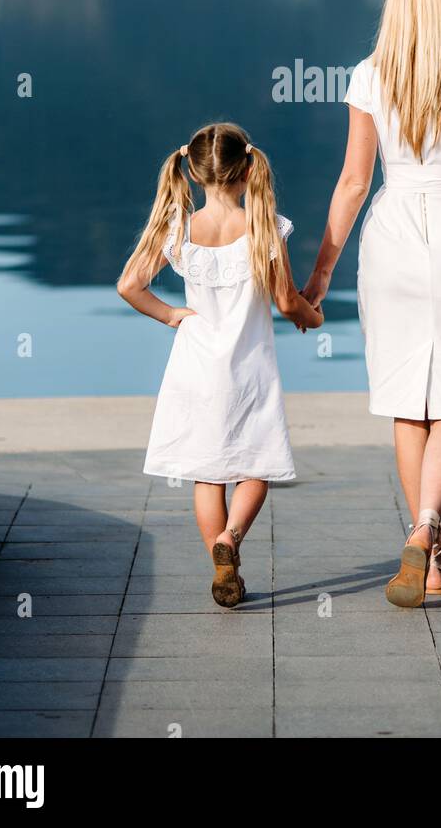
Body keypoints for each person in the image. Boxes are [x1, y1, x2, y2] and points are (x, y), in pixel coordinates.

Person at [303, 0, 441, 607]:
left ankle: (434, 564)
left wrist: (320, 274)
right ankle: (424, 536)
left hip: (389, 234)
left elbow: (353, 182)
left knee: (405, 401)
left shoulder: (368, 75)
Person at [118, 122, 322, 608]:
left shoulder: (181, 230)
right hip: (249, 368)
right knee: (257, 466)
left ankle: (219, 561)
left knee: (207, 472)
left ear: (191, 171)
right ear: (248, 168)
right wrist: (313, 316)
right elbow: (287, 302)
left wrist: (171, 316)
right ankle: (231, 538)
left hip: (196, 366)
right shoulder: (264, 226)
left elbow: (129, 285)